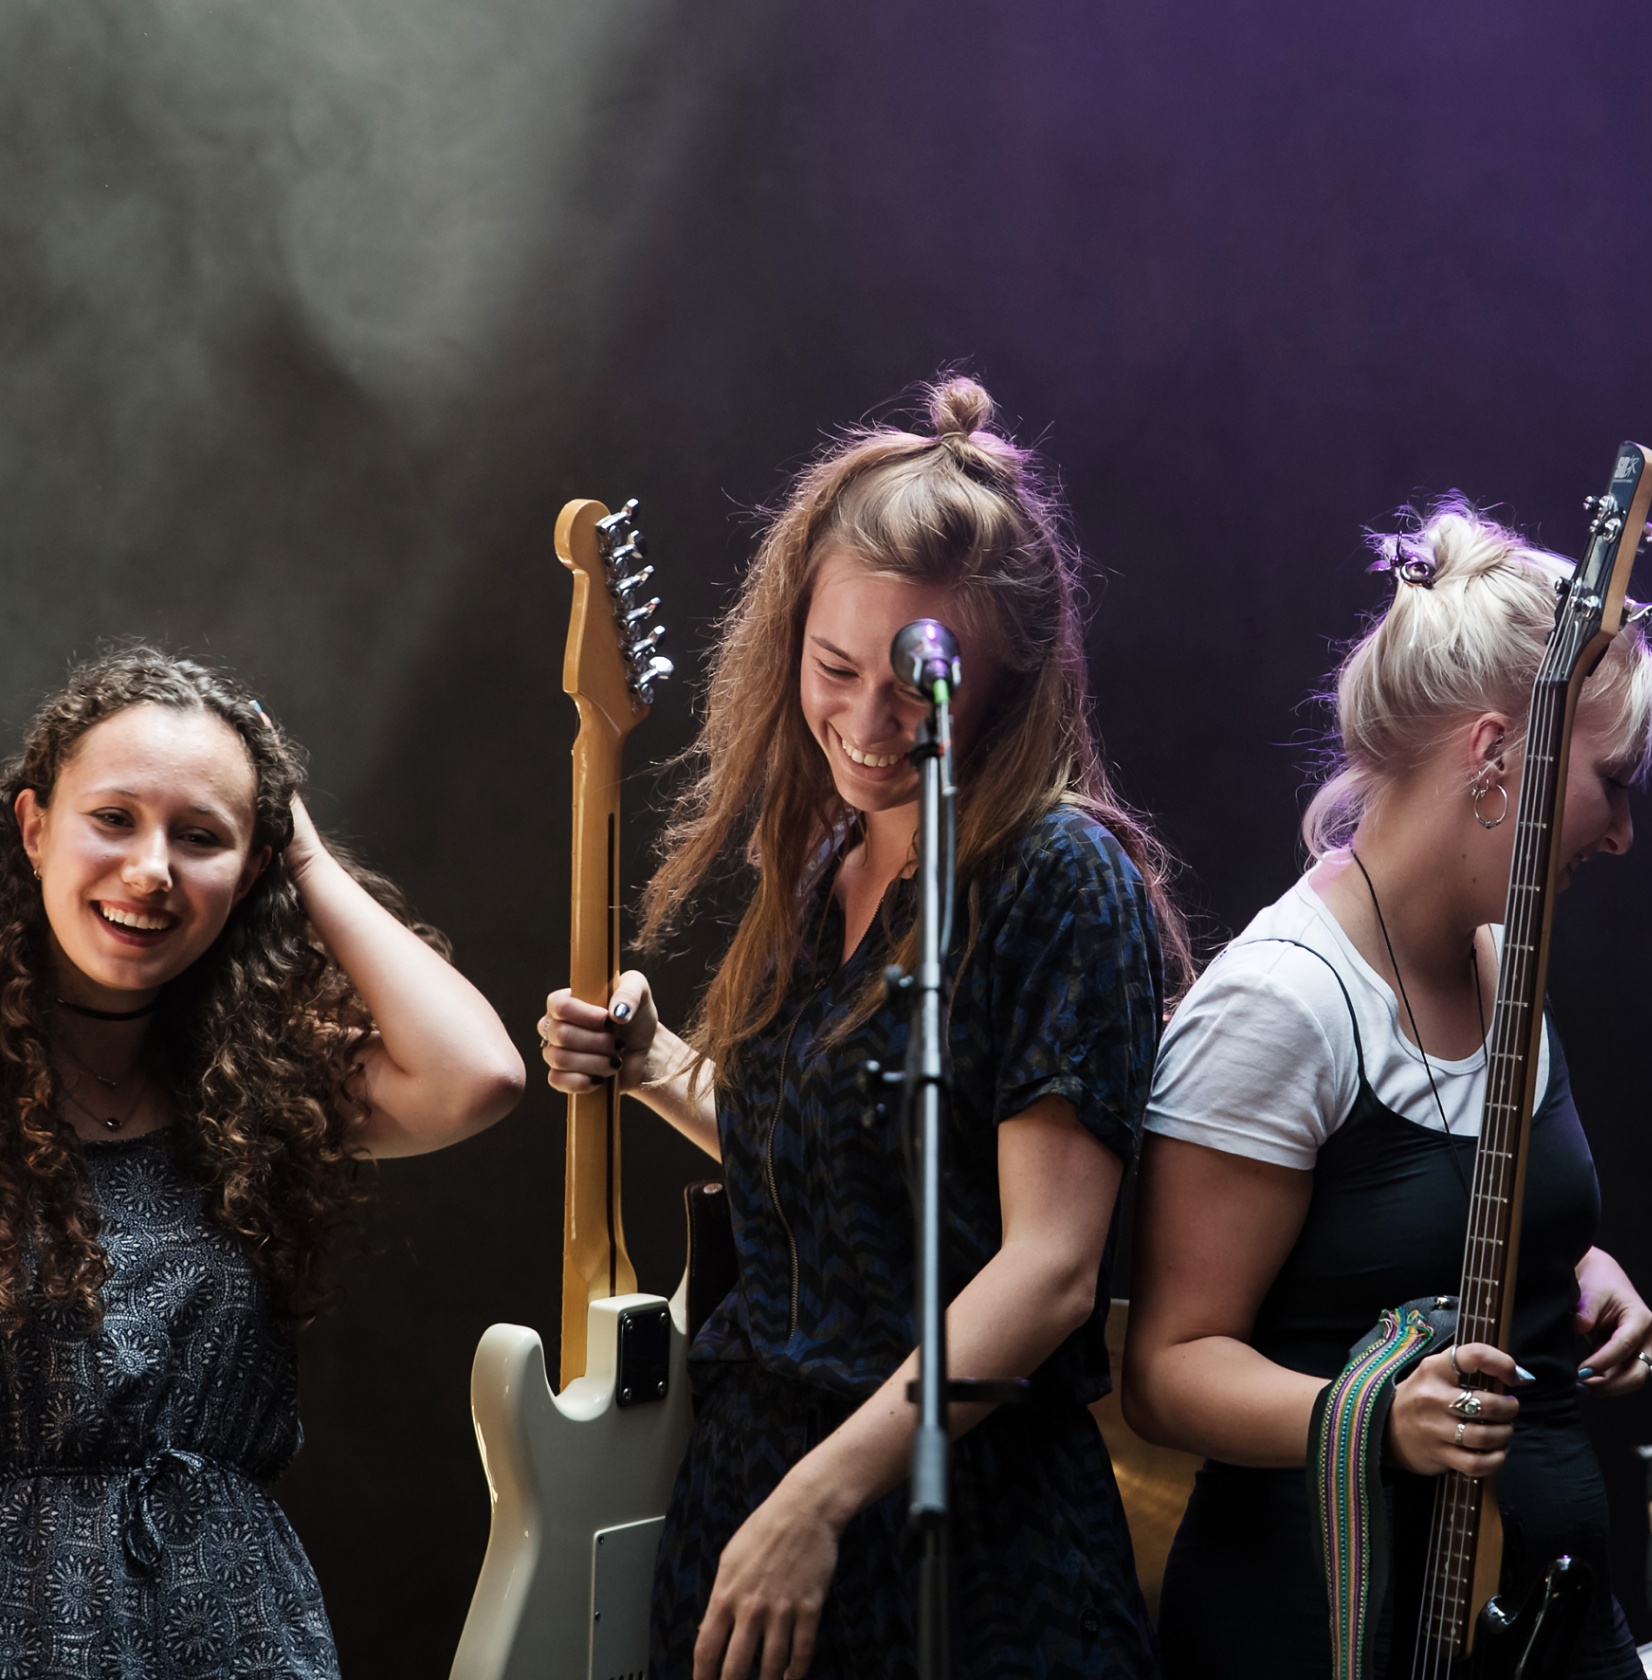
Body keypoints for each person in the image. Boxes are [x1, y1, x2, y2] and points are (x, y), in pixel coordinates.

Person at [540, 376, 1182, 1680]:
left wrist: (819, 1499)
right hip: (762, 1510)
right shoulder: (827, 857)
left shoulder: (1056, 874)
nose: (870, 723)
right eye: (836, 668)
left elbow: (1050, 1274)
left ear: (1005, 683)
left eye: (919, 688)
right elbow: (859, 1178)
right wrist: (659, 1065)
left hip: (959, 1545)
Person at [1123, 500, 1652, 1678]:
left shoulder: (1495, 953)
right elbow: (1168, 1370)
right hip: (1328, 1634)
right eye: (1609, 782)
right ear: (1495, 759)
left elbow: (1426, 1220)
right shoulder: (1282, 1003)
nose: (1624, 830)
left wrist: (1573, 1265)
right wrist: (1364, 1417)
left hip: (1548, 1628)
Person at [0, 646, 525, 1678]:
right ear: (33, 827)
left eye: (201, 838)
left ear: (248, 872)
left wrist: (308, 860)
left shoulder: (254, 1088)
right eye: (114, 818)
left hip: (234, 1632)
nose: (152, 869)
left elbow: (478, 1077)